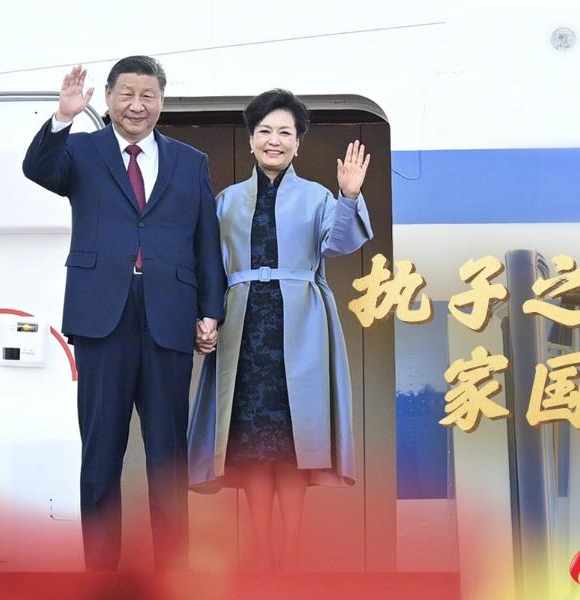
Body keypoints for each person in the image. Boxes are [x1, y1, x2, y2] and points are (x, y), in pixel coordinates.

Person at [22, 56, 226, 571]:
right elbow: (39, 170)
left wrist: (210, 310)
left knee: (167, 459)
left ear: (162, 101)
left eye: (148, 95)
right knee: (100, 456)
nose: (137, 105)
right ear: (109, 97)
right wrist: (64, 117)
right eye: (127, 94)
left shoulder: (190, 161)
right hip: (101, 316)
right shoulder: (81, 151)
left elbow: (206, 240)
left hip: (168, 317)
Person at [187, 89, 372, 571]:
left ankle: (291, 547)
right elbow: (209, 267)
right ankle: (260, 545)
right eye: (265, 131)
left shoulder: (317, 196)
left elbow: (340, 243)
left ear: (297, 143)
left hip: (301, 325)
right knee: (250, 441)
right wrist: (205, 317)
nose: (274, 140)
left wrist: (349, 195)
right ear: (251, 140)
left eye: (285, 132)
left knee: (291, 441)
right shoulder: (227, 200)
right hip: (244, 328)